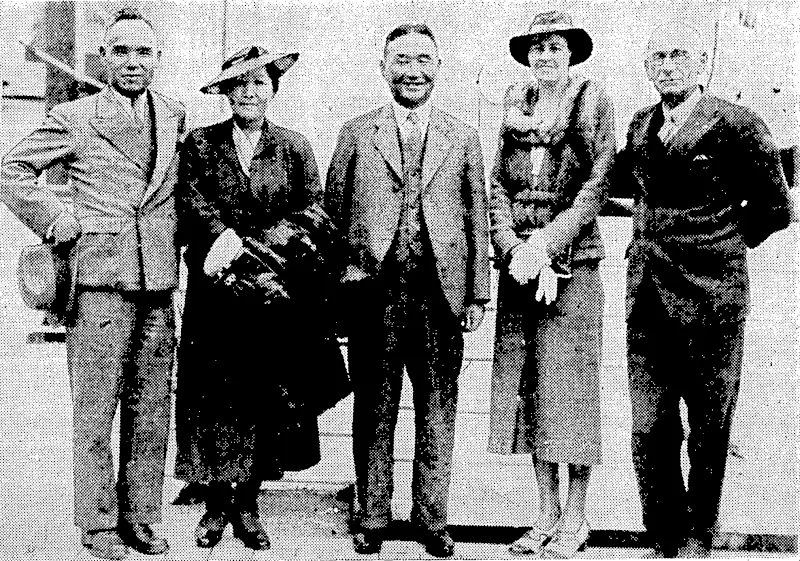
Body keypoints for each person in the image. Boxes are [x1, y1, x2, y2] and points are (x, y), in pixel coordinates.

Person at [0, 9, 184, 560]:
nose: (133, 63)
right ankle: (99, 524)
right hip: (100, 281)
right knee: (96, 411)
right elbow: (11, 171)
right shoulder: (74, 115)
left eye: (143, 53)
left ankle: (143, 516)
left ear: (156, 59)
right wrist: (60, 221)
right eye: (121, 52)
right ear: (103, 58)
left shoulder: (173, 115)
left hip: (158, 282)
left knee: (153, 409)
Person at [613, 21, 792, 558]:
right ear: (647, 67)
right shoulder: (641, 125)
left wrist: (721, 246)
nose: (667, 65)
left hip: (712, 296)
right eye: (657, 57)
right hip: (646, 293)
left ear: (701, 64)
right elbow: (630, 188)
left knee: (709, 424)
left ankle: (698, 535)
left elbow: (777, 209)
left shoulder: (737, 124)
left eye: (678, 55)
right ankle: (662, 532)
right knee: (649, 424)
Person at [174, 45, 349, 551]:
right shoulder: (200, 145)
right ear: (226, 92)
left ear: (273, 89)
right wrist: (222, 237)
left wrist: (262, 247)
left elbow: (313, 211)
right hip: (217, 293)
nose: (250, 92)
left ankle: (247, 503)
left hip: (273, 292)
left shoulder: (293, 147)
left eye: (260, 83)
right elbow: (190, 199)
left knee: (262, 396)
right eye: (240, 84)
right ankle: (214, 503)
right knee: (213, 395)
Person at [325, 23, 490, 558]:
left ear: (437, 68)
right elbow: (332, 215)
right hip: (373, 294)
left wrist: (476, 295)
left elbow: (477, 218)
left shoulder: (462, 135)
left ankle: (431, 517)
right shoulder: (357, 133)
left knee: (438, 406)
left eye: (423, 60)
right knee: (375, 405)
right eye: (401, 60)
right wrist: (337, 295)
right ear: (383, 67)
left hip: (441, 295)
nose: (412, 71)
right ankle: (372, 515)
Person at [487, 11, 615, 559]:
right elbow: (493, 185)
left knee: (572, 389)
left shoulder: (592, 99)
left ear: (571, 53)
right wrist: (515, 246)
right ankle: (543, 516)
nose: (544, 57)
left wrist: (548, 245)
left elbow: (598, 181)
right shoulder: (516, 106)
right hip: (520, 265)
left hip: (572, 262)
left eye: (555, 47)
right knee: (533, 390)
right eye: (535, 48)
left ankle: (578, 520)